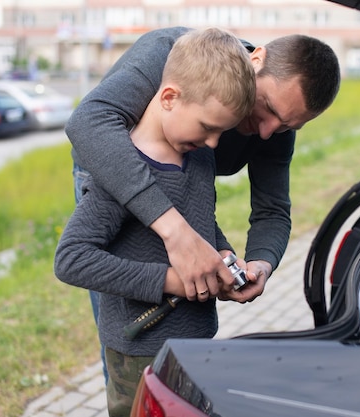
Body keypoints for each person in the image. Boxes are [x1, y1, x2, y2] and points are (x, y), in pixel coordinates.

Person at [66, 26, 340, 382]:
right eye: (269, 107)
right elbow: (89, 122)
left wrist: (258, 263)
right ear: (255, 60)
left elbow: (272, 209)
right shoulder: (172, 54)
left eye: (288, 125)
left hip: (186, 174)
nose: (267, 131)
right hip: (109, 165)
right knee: (127, 327)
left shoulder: (272, 129)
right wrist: (176, 233)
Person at [54, 27, 256, 417]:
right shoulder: (122, 172)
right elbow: (71, 260)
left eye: (222, 133)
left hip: (198, 341)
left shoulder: (197, 158)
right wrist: (169, 282)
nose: (214, 143)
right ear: (169, 97)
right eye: (208, 128)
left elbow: (198, 221)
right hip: (139, 355)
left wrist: (224, 255)